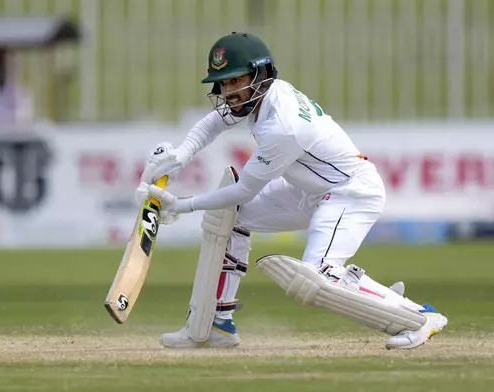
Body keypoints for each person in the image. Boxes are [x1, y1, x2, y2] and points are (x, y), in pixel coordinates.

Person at [135, 32, 448, 350]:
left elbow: (244, 190)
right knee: (231, 220)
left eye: (236, 81)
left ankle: (420, 317)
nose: (229, 92)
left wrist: (182, 205)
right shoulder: (260, 96)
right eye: (224, 83)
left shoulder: (282, 126)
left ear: (260, 75)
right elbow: (213, 123)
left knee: (320, 276)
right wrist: (180, 156)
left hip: (349, 192)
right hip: (307, 190)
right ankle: (218, 323)